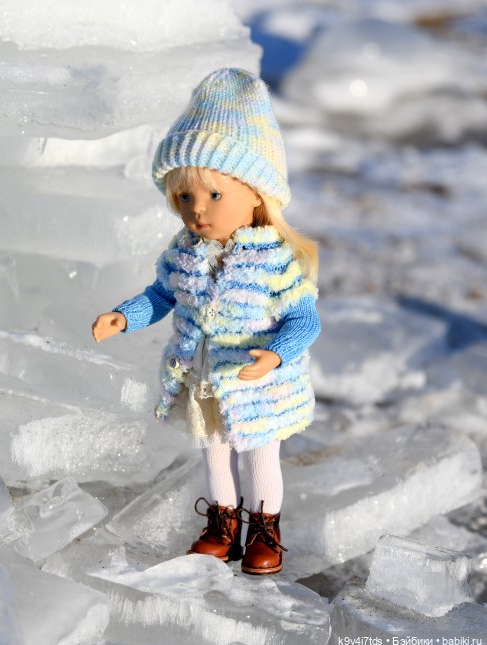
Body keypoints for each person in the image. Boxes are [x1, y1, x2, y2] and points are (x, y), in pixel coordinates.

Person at [92, 68, 320, 575]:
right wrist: (123, 318)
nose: (197, 211)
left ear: (257, 192)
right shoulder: (184, 252)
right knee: (215, 456)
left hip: (258, 385)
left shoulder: (276, 260)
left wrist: (277, 353)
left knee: (261, 459)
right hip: (203, 380)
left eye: (214, 195)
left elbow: (305, 320)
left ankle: (265, 530)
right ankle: (222, 526)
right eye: (184, 198)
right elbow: (161, 295)